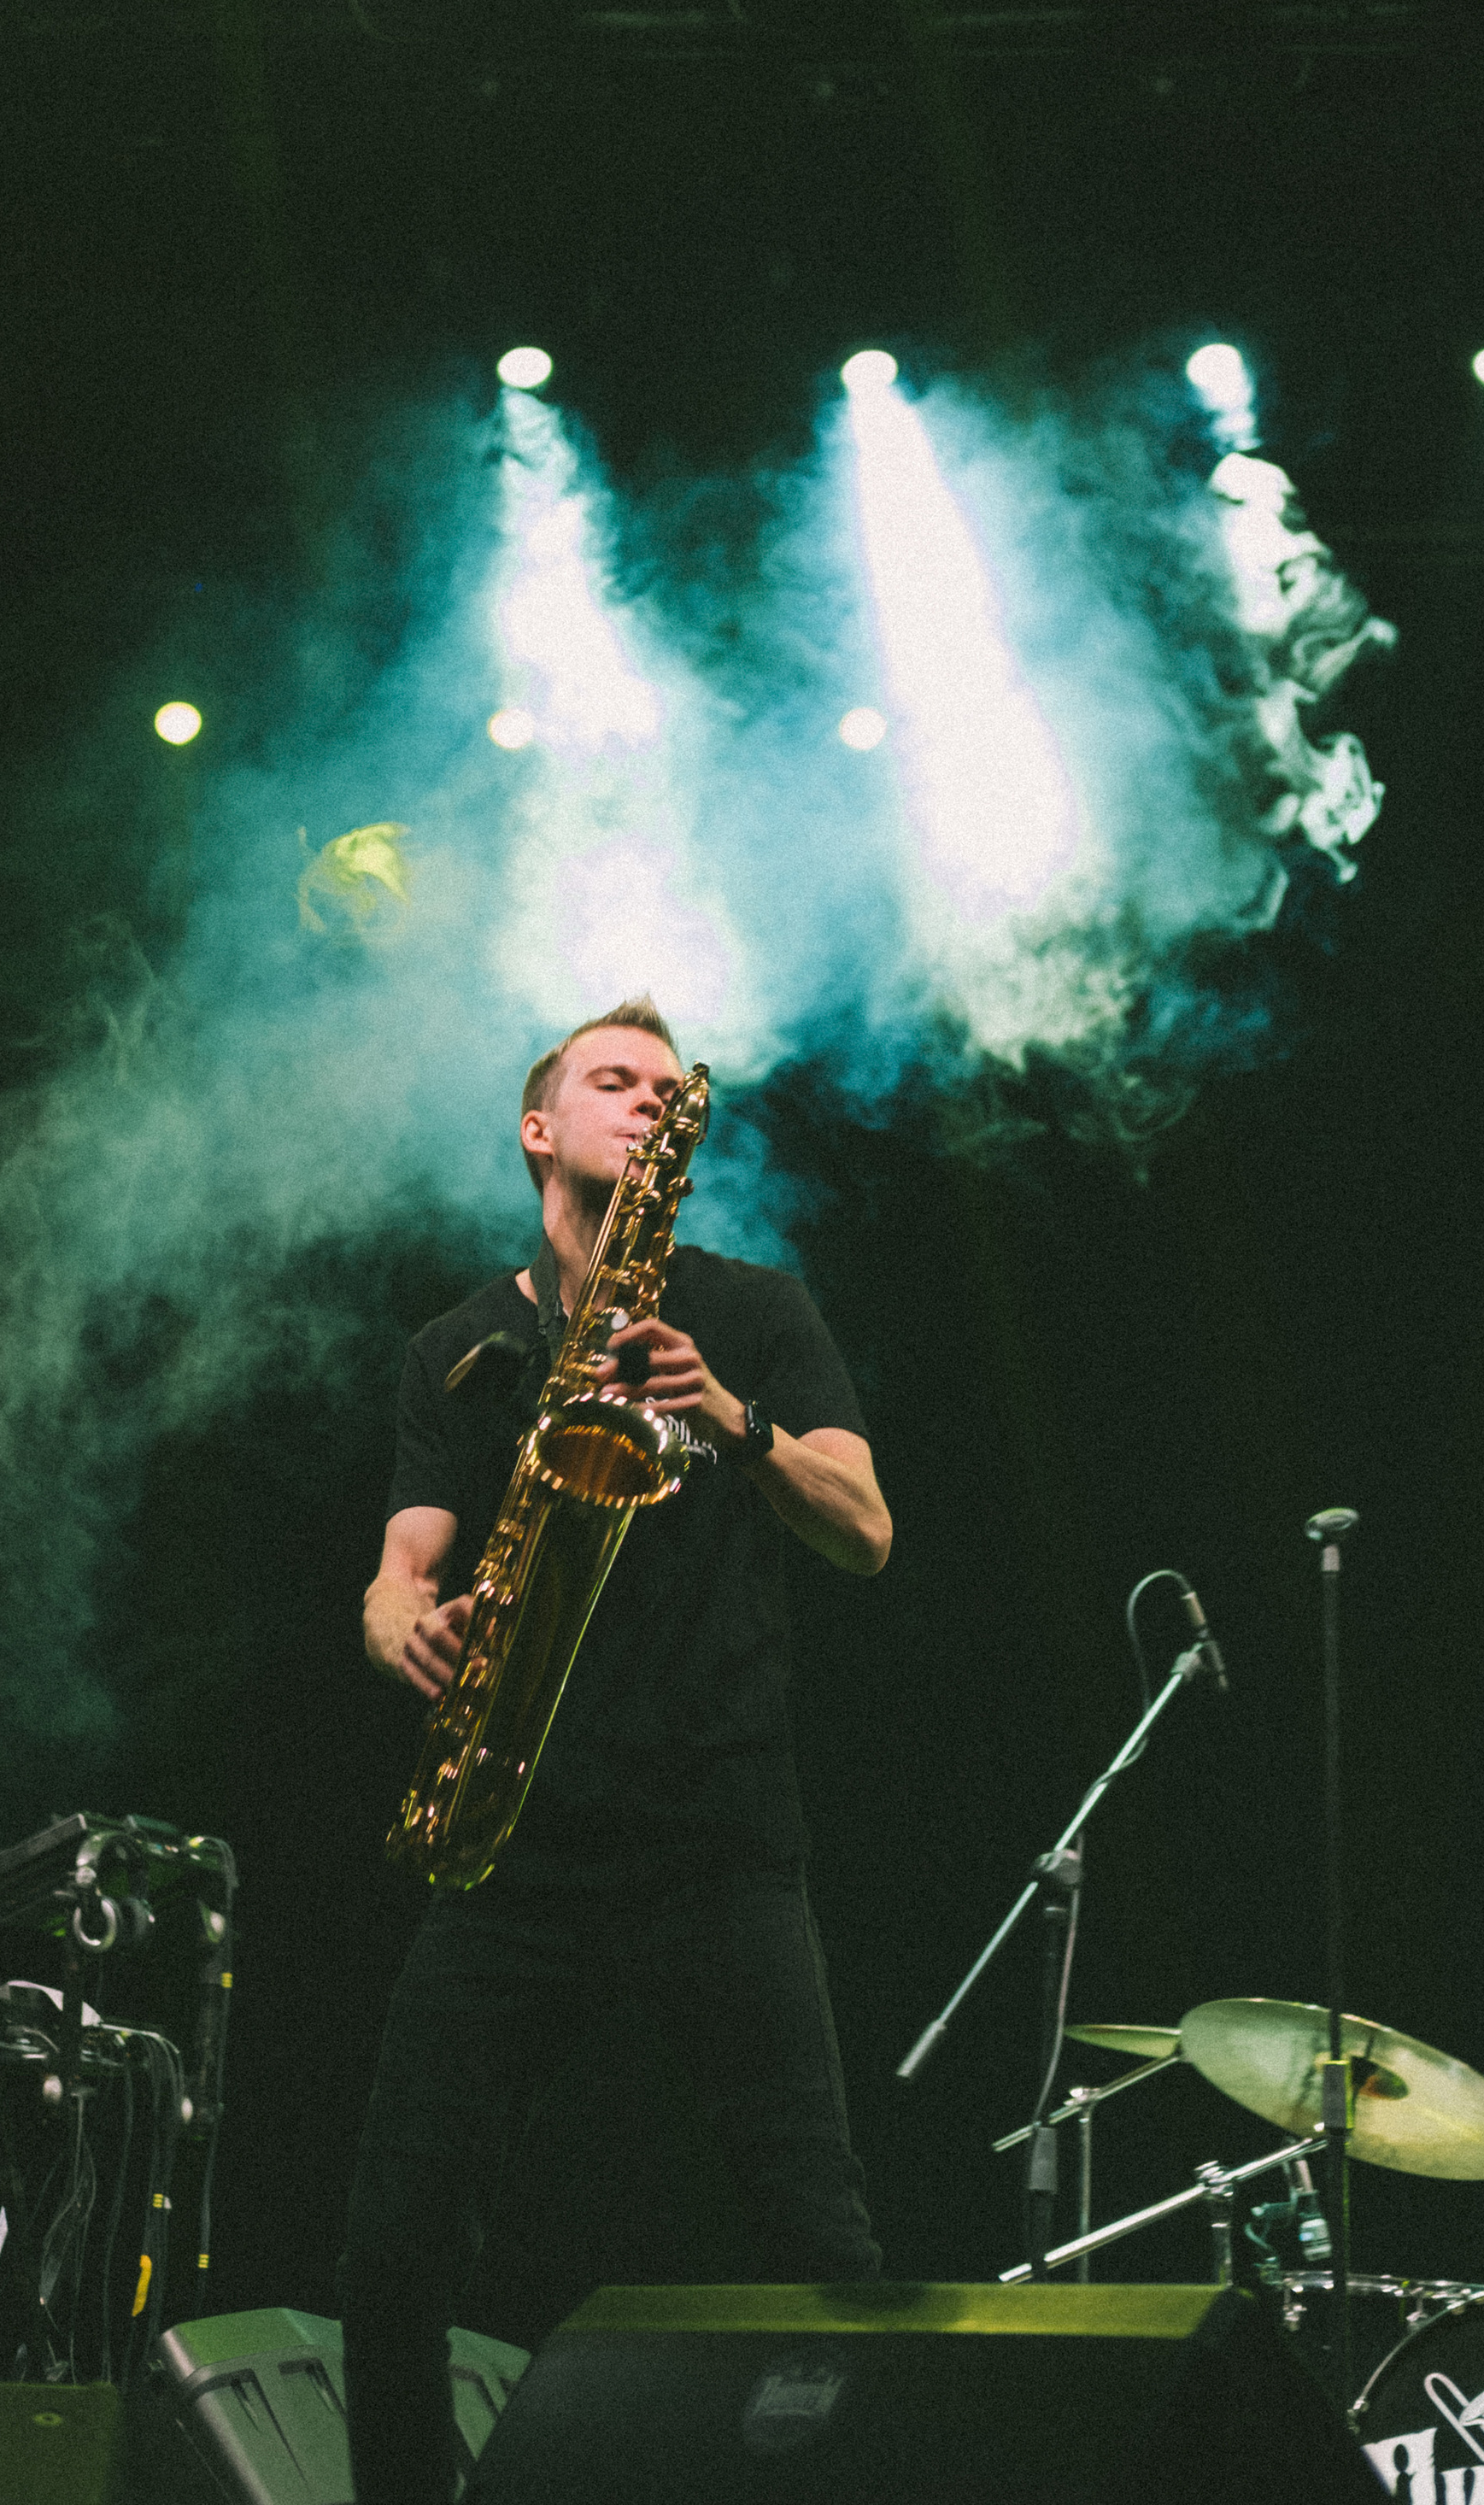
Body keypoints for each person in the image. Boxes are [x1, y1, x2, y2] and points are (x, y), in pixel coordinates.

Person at [341, 998, 892, 2505]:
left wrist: (724, 1411)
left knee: (815, 2237)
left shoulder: (756, 1309)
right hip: (515, 1835)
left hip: (717, 1839)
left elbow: (866, 1530)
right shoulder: (464, 1344)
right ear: (541, 1128)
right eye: (612, 1079)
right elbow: (406, 1558)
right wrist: (396, 1618)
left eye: (666, 1088)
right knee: (395, 2247)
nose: (647, 1101)